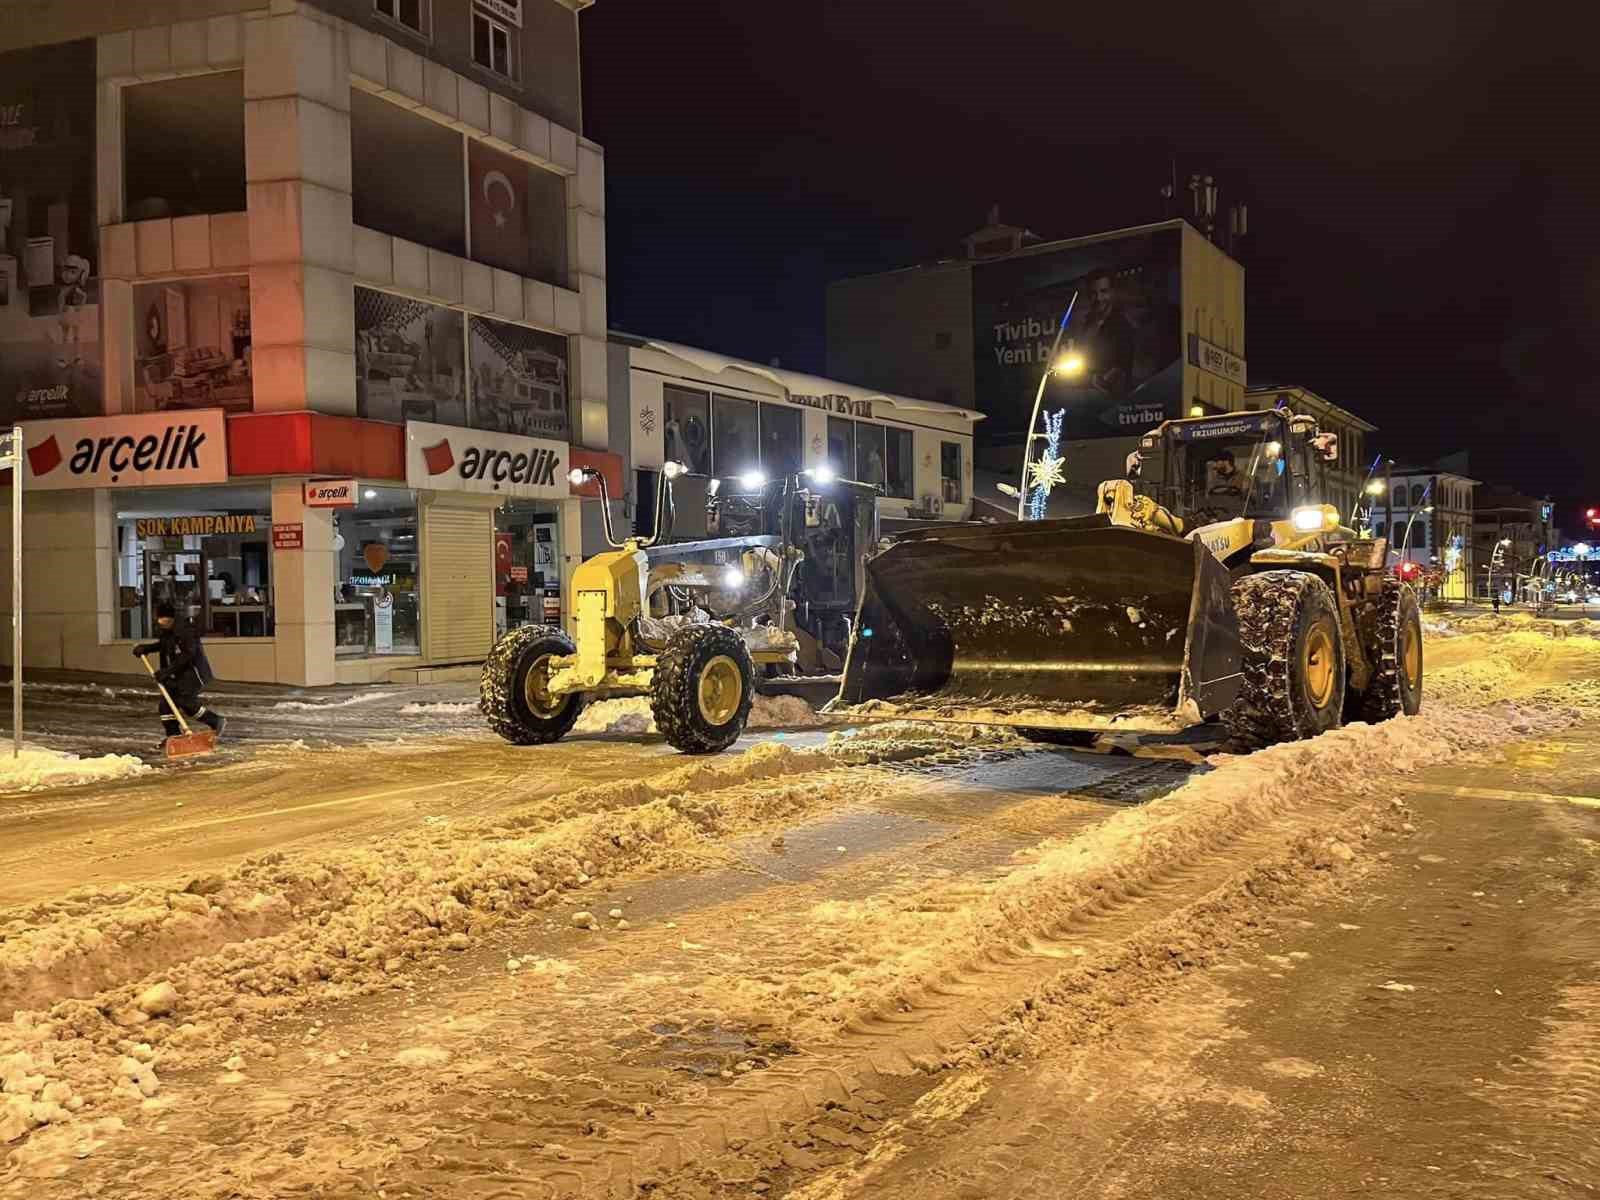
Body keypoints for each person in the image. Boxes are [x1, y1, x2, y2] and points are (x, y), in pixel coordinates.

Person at [133, 601, 223, 747]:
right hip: (175, 674)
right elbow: (163, 645)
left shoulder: (186, 631)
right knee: (166, 705)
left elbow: (188, 654)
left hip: (193, 673)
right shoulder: (167, 631)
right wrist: (146, 648)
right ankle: (173, 736)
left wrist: (167, 671)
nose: (162, 622)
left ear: (172, 619)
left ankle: (215, 721)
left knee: (185, 701)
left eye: (165, 620)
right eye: (160, 619)